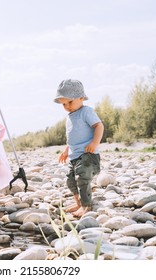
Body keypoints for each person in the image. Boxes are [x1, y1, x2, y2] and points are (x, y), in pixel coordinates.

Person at [54, 79, 104, 217]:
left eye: (70, 102)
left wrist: (94, 143)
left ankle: (86, 205)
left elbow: (99, 126)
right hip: (74, 156)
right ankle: (78, 203)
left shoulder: (86, 112)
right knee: (70, 180)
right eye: (64, 104)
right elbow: (72, 138)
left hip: (88, 155)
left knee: (82, 178)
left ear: (81, 98)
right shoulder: (69, 117)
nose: (67, 106)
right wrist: (66, 150)